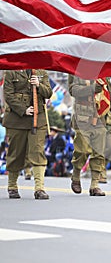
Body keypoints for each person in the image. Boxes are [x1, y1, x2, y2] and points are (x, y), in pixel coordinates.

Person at [3, 69, 53, 199]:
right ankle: (12, 186)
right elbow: (8, 95)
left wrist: (38, 85)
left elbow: (48, 93)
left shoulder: (41, 72)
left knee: (37, 152)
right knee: (16, 153)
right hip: (17, 119)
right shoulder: (11, 72)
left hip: (38, 119)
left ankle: (39, 188)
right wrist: (23, 109)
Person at [68, 75, 108, 196]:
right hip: (83, 117)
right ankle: (76, 175)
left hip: (100, 117)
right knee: (82, 150)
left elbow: (109, 95)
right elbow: (73, 90)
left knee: (99, 152)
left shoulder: (103, 71)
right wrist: (92, 88)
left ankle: (94, 185)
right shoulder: (76, 70)